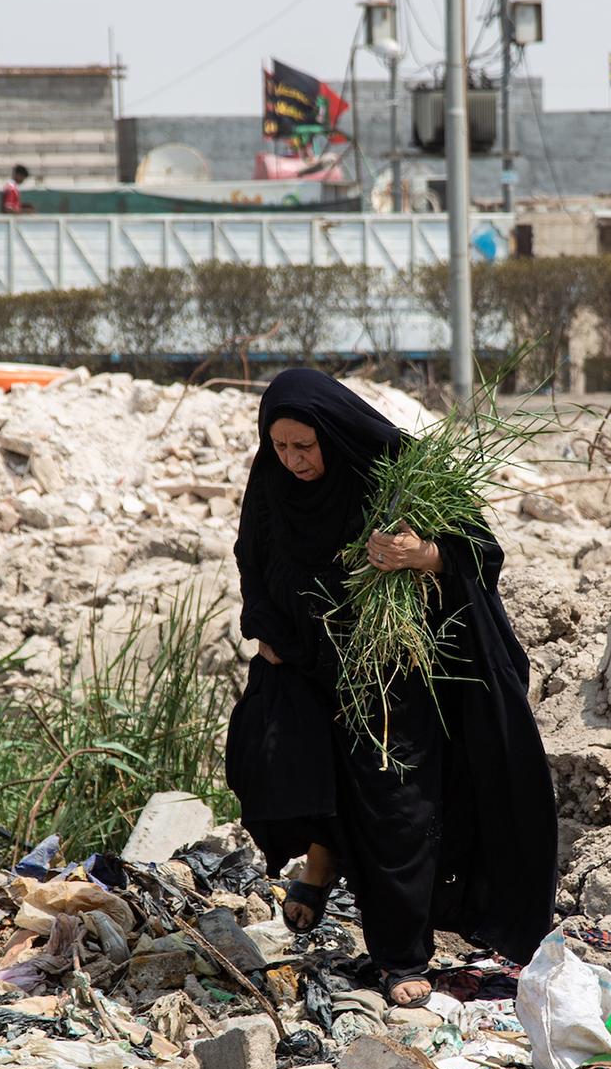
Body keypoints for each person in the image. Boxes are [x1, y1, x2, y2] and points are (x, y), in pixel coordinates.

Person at [225, 369, 558, 1007]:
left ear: (334, 435)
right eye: (281, 447)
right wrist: (262, 628)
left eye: (305, 447)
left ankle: (401, 957)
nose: (292, 461)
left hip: (390, 676)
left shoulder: (394, 471)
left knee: (397, 811)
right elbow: (252, 553)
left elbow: (480, 553)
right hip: (301, 663)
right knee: (277, 769)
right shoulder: (272, 480)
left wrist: (421, 556)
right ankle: (323, 855)